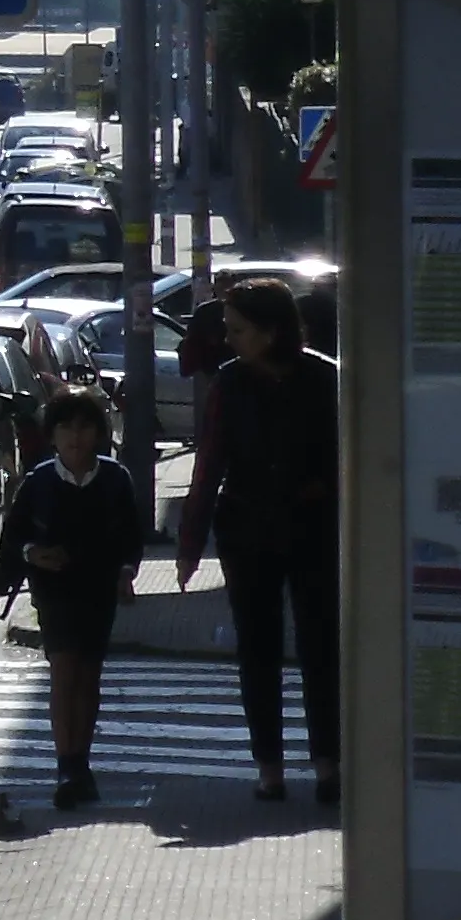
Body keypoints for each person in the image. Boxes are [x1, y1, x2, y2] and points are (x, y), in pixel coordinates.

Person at [177, 273, 341, 803]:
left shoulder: (325, 380)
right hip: (246, 526)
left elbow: (349, 458)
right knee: (258, 647)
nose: (230, 340)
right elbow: (209, 465)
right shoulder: (229, 384)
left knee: (322, 645)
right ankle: (269, 767)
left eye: (239, 330)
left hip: (313, 525)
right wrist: (189, 545)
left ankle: (327, 764)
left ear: (272, 332)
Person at [0, 386, 144, 809]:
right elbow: (15, 537)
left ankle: (81, 760)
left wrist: (125, 573)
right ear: (53, 435)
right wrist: (33, 555)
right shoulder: (40, 481)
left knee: (88, 674)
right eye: (66, 428)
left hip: (98, 587)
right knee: (63, 668)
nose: (75, 437)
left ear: (98, 433)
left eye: (84, 427)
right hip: (54, 588)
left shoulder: (115, 479)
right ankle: (65, 764)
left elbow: (132, 539)